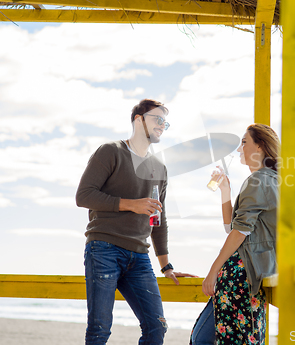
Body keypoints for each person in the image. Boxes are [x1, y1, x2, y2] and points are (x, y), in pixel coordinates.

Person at [76, 98, 195, 345]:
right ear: (138, 119)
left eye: (165, 122)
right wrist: (131, 204)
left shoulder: (160, 167)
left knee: (156, 327)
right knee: (99, 329)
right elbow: (84, 195)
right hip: (104, 249)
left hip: (139, 257)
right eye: (157, 119)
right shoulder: (111, 151)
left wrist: (166, 266)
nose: (162, 125)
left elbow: (158, 218)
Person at [190, 123, 279, 345]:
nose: (239, 149)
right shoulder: (271, 179)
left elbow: (239, 231)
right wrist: (226, 192)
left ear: (260, 146)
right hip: (255, 274)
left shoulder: (258, 180)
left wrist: (213, 269)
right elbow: (233, 228)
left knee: (202, 339)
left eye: (244, 142)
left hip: (240, 276)